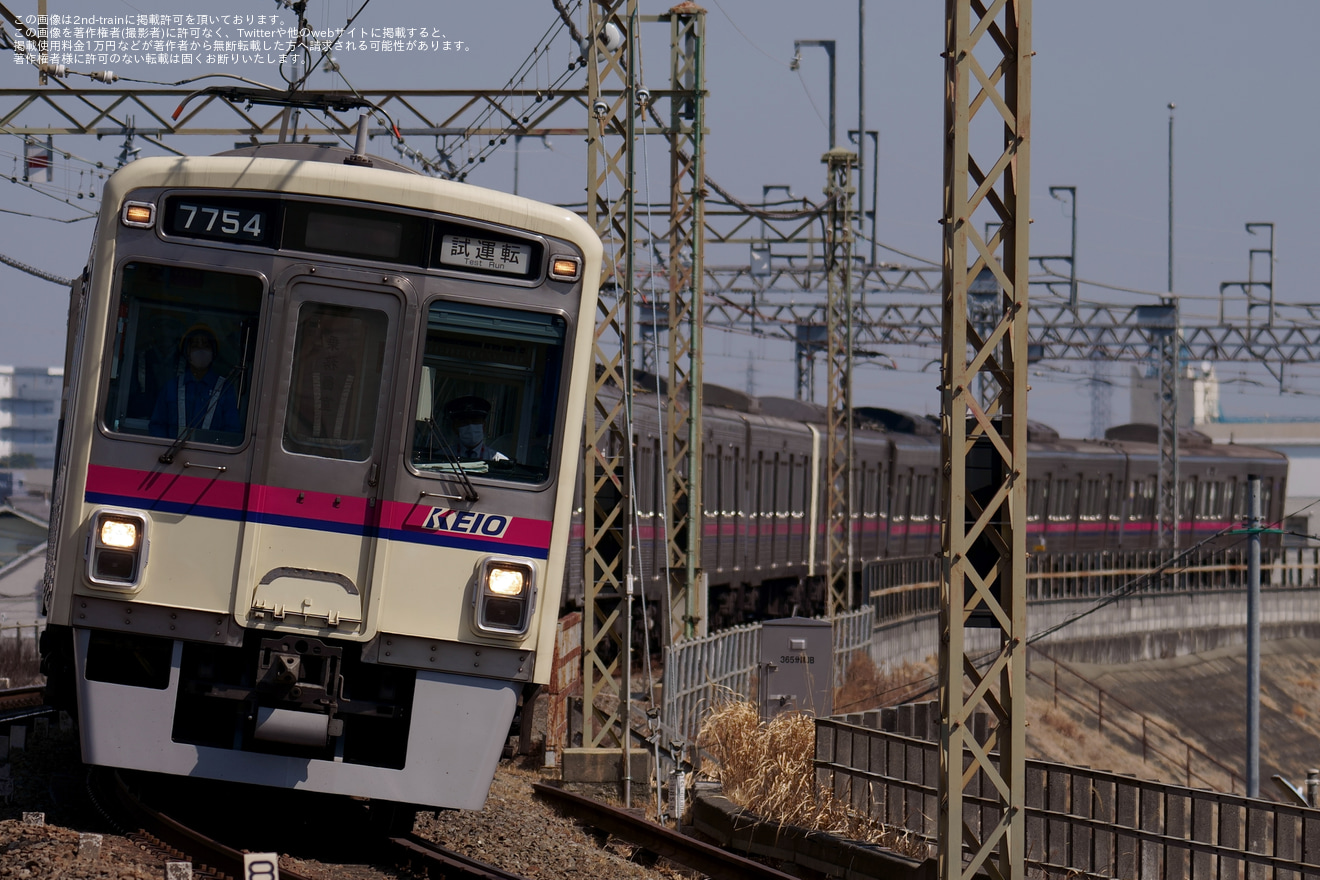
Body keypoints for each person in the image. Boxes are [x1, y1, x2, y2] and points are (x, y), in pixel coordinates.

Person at [149, 323, 241, 439]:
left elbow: (231, 432)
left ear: (213, 353)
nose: (201, 350)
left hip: (212, 456)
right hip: (172, 454)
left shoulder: (225, 389)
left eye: (206, 346)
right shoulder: (171, 387)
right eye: (195, 346)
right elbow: (157, 426)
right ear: (187, 352)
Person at [443, 395, 508, 462]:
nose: (470, 426)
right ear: (455, 427)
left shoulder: (497, 460)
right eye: (464, 422)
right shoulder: (443, 456)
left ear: (484, 426)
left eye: (475, 421)